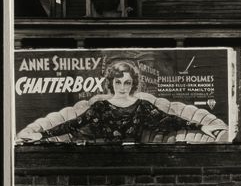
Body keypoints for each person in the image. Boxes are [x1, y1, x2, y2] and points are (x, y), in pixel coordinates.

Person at [17, 60, 225, 143]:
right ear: (112, 82)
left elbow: (169, 120)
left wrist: (201, 126)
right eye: (118, 82)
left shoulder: (142, 106)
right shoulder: (100, 106)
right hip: (104, 157)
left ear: (133, 83)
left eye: (127, 82)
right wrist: (41, 134)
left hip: (135, 157)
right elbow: (73, 124)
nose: (123, 86)